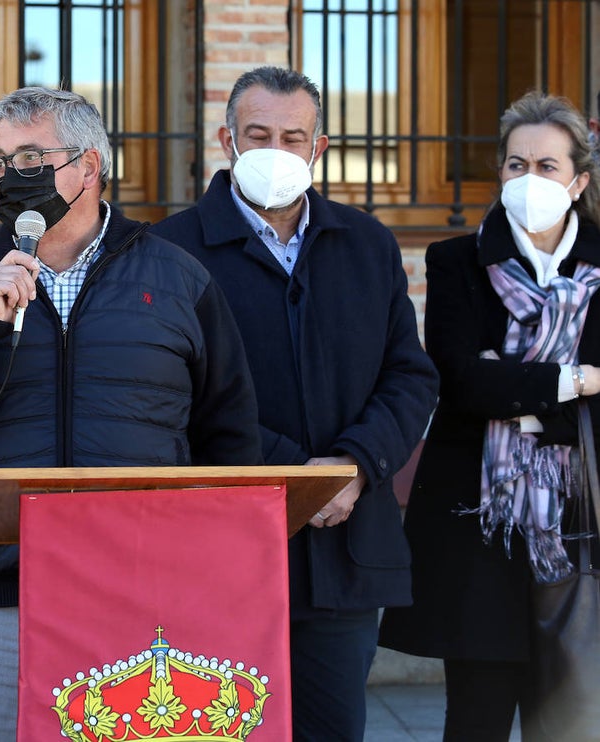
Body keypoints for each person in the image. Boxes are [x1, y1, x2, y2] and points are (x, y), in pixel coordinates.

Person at [0, 86, 263, 741]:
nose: (9, 177)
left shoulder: (178, 279)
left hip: (147, 599)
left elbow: (229, 440)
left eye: (30, 157)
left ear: (89, 167)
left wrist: (211, 585)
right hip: (1, 599)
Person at [151, 67, 439, 741]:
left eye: (292, 136)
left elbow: (409, 375)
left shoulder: (366, 243)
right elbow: (170, 395)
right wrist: (302, 476)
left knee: (333, 728)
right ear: (227, 139)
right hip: (219, 556)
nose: (276, 150)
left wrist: (353, 463)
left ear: (320, 147)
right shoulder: (168, 251)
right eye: (258, 135)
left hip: (344, 554)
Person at [379, 92, 600, 741]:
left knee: (573, 722)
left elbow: (493, 384)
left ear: (579, 180)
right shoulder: (454, 262)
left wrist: (518, 392)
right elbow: (463, 382)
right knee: (475, 718)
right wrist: (576, 380)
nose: (528, 179)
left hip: (581, 529)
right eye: (514, 164)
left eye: (547, 166)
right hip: (478, 531)